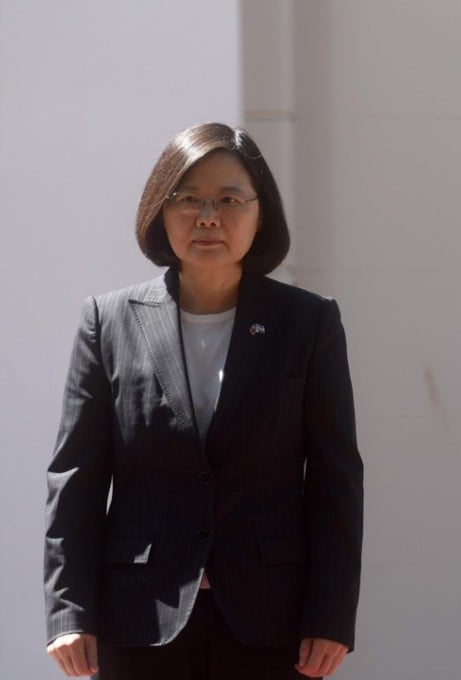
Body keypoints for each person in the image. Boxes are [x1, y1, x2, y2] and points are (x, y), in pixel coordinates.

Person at [44, 122, 363, 679]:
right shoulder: (109, 321)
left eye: (229, 199)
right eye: (187, 199)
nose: (208, 216)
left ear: (260, 214)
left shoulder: (308, 323)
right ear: (159, 213)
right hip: (140, 618)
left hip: (273, 622)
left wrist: (331, 614)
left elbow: (335, 480)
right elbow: (76, 476)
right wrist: (69, 611)